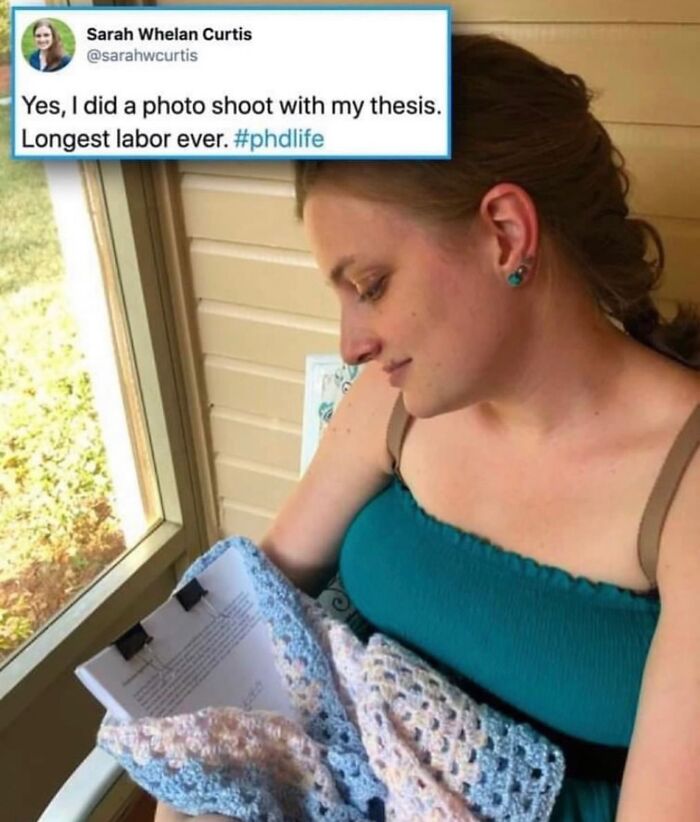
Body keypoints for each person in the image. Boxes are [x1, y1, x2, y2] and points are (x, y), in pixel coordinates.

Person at [156, 34, 700, 821]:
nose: (350, 342)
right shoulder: (396, 400)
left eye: (371, 285)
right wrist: (191, 782)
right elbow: (254, 608)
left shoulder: (683, 483)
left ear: (505, 233)